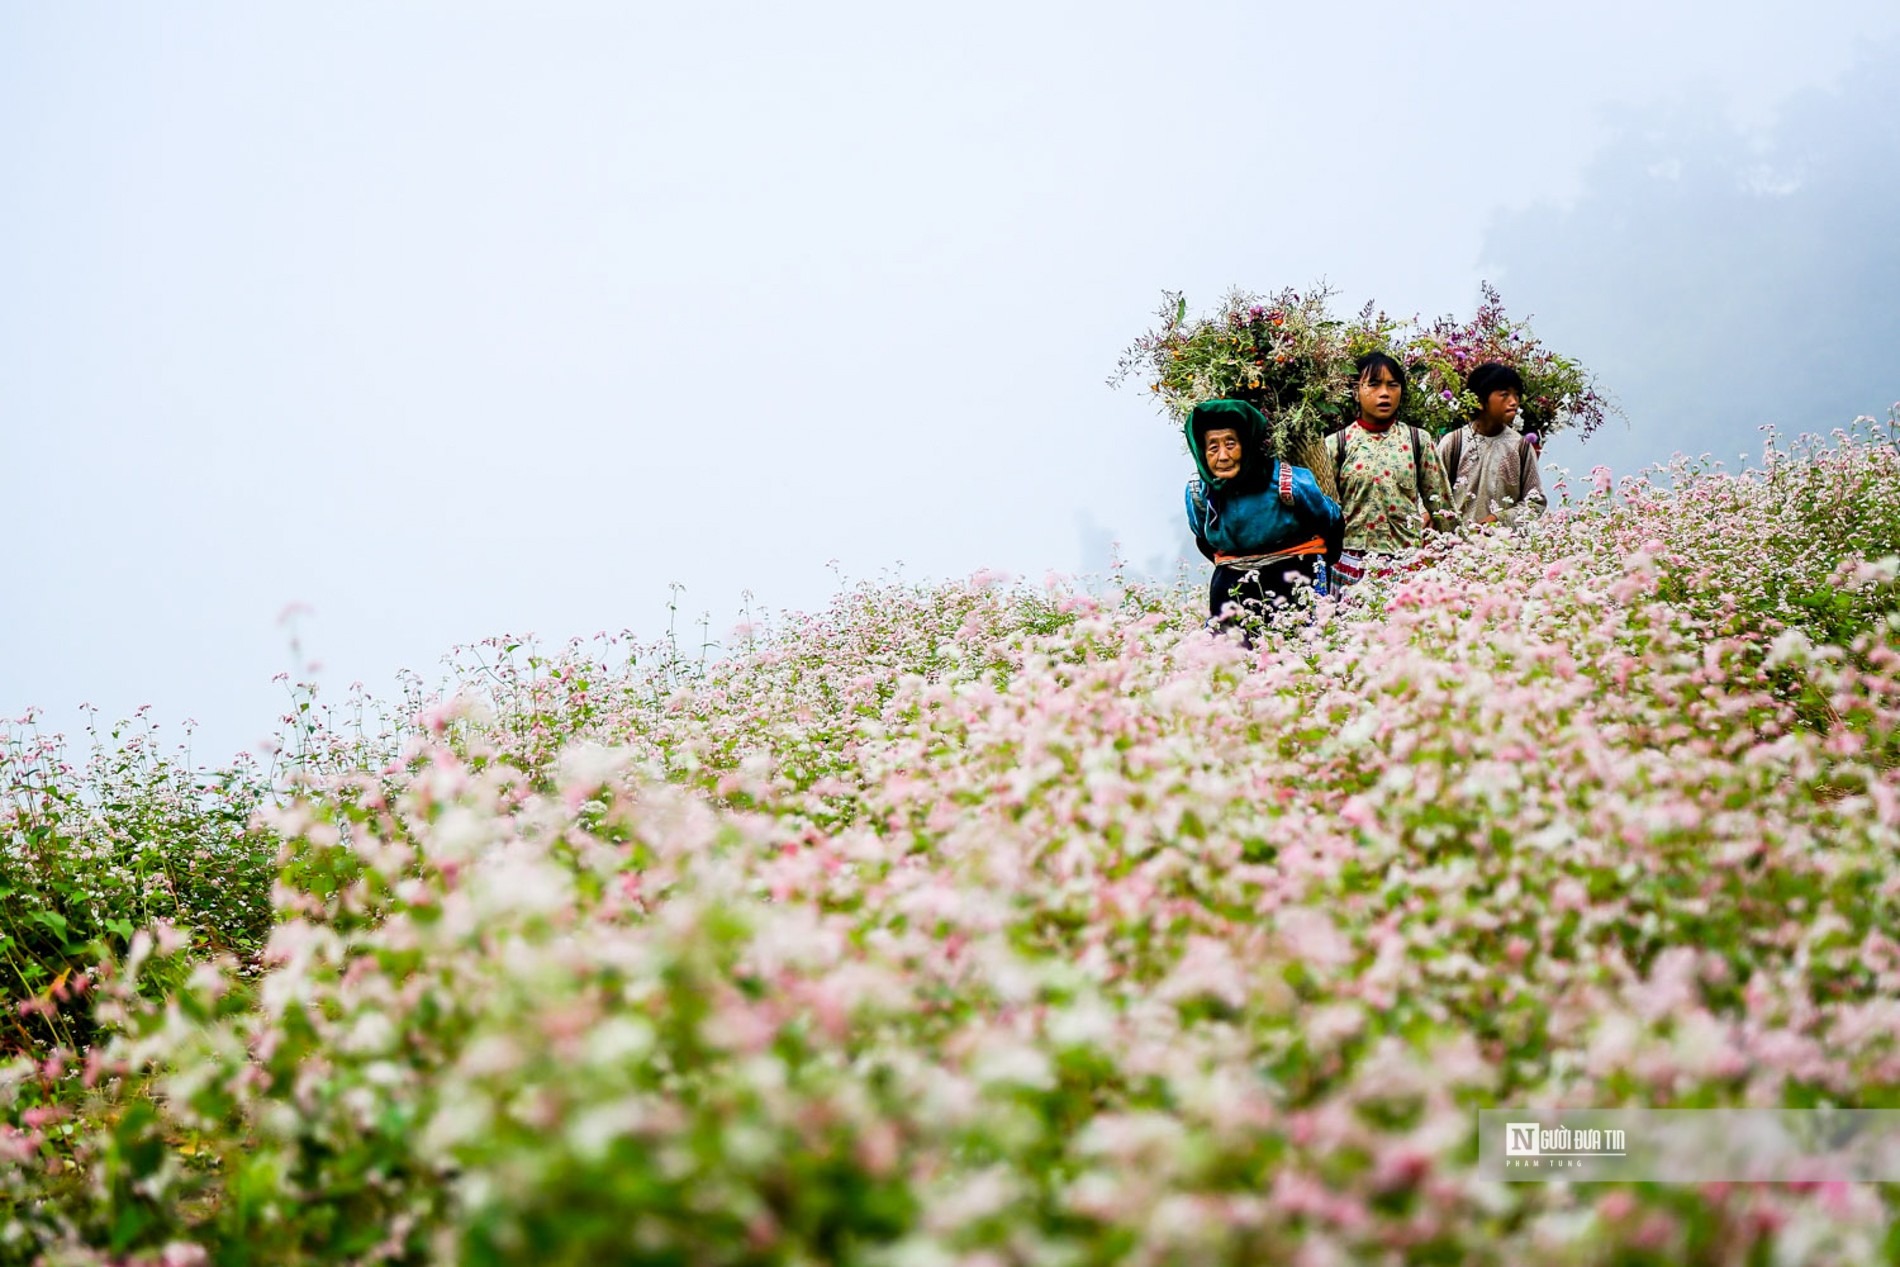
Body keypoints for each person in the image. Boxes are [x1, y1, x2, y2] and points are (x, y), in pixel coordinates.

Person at [1183, 398, 1343, 628]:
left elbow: (1331, 520)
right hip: (1232, 588)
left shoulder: (1288, 482)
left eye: (1231, 444)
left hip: (1294, 581)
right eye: (1213, 447)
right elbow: (1204, 539)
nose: (1223, 457)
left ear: (1247, 444)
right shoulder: (1199, 493)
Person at [1327, 352, 1455, 588]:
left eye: (1392, 385)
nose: (1384, 393)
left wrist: (1458, 559)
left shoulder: (1418, 441)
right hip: (1350, 568)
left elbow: (1442, 505)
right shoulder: (1337, 444)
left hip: (1406, 567)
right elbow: (1324, 510)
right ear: (1356, 391)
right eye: (1374, 385)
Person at [1437, 361, 1547, 528]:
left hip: (1503, 547)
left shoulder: (1521, 447)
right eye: (1504, 395)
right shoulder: (1454, 443)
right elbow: (1430, 492)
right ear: (1480, 401)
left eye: (1516, 395)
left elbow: (1535, 503)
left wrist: (1499, 519)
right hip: (1454, 546)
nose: (1514, 402)